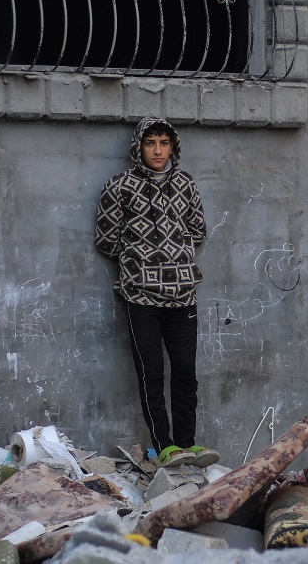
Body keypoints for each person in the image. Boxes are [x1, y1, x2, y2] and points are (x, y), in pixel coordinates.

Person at [94, 116, 218, 468]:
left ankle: (188, 444)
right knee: (151, 373)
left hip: (183, 295)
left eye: (164, 143)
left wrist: (174, 258)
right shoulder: (120, 186)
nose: (158, 150)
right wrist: (143, 259)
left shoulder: (185, 184)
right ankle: (165, 446)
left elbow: (197, 229)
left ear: (173, 146)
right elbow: (106, 239)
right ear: (139, 147)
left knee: (184, 371)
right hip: (140, 296)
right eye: (151, 143)